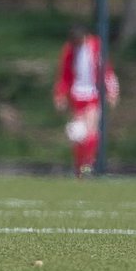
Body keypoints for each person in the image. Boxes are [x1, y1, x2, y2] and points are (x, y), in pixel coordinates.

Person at [53, 24, 119, 177]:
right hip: (77, 94)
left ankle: (88, 165)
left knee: (92, 129)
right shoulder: (69, 49)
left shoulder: (96, 46)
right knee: (78, 134)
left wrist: (112, 91)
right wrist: (60, 94)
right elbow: (64, 74)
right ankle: (79, 167)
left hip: (93, 94)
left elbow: (106, 70)